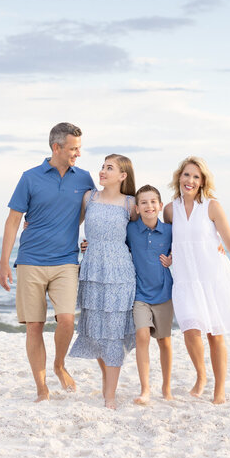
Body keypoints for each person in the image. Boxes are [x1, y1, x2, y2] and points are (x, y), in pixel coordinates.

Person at [0, 123, 96, 402]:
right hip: (30, 261)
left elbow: (92, 212)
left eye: (79, 147)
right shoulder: (30, 178)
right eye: (73, 148)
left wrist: (90, 241)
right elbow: (13, 221)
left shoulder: (85, 178)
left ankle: (59, 364)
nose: (78, 152)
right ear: (57, 147)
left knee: (66, 320)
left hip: (66, 260)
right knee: (34, 326)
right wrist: (4, 262)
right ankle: (41, 387)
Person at [162, 155, 230, 404]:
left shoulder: (212, 206)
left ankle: (219, 389)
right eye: (186, 175)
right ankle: (201, 376)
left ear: (202, 181)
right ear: (179, 177)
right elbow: (170, 241)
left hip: (212, 278)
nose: (190, 180)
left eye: (196, 176)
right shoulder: (170, 210)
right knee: (190, 331)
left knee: (215, 335)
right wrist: (171, 257)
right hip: (185, 281)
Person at [67, 154, 137, 409]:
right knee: (95, 332)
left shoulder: (130, 203)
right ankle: (110, 381)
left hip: (120, 273)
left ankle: (110, 396)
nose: (103, 171)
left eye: (110, 168)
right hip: (92, 270)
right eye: (103, 167)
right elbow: (68, 225)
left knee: (114, 334)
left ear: (122, 176)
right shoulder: (90, 198)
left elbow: (145, 233)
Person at [125, 184, 174, 405]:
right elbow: (112, 245)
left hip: (164, 293)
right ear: (137, 208)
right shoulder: (130, 230)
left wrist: (173, 257)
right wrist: (87, 246)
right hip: (139, 294)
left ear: (160, 205)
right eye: (143, 202)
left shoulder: (170, 231)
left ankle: (166, 386)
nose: (149, 206)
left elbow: (187, 247)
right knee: (142, 335)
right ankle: (145, 389)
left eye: (153, 201)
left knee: (164, 341)